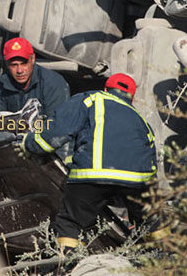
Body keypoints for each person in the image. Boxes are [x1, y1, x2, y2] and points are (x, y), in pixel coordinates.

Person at [17, 73, 157, 251]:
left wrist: (29, 144)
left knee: (71, 223)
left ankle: (67, 262)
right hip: (137, 182)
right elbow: (151, 160)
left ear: (105, 89)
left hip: (92, 177)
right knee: (151, 224)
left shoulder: (92, 99)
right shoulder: (141, 119)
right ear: (133, 98)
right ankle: (160, 259)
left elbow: (57, 131)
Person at [0, 37, 70, 117]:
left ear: (33, 59)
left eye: (24, 63)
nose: (19, 70)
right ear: (6, 64)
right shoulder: (1, 85)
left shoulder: (53, 83)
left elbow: (58, 123)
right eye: (14, 65)